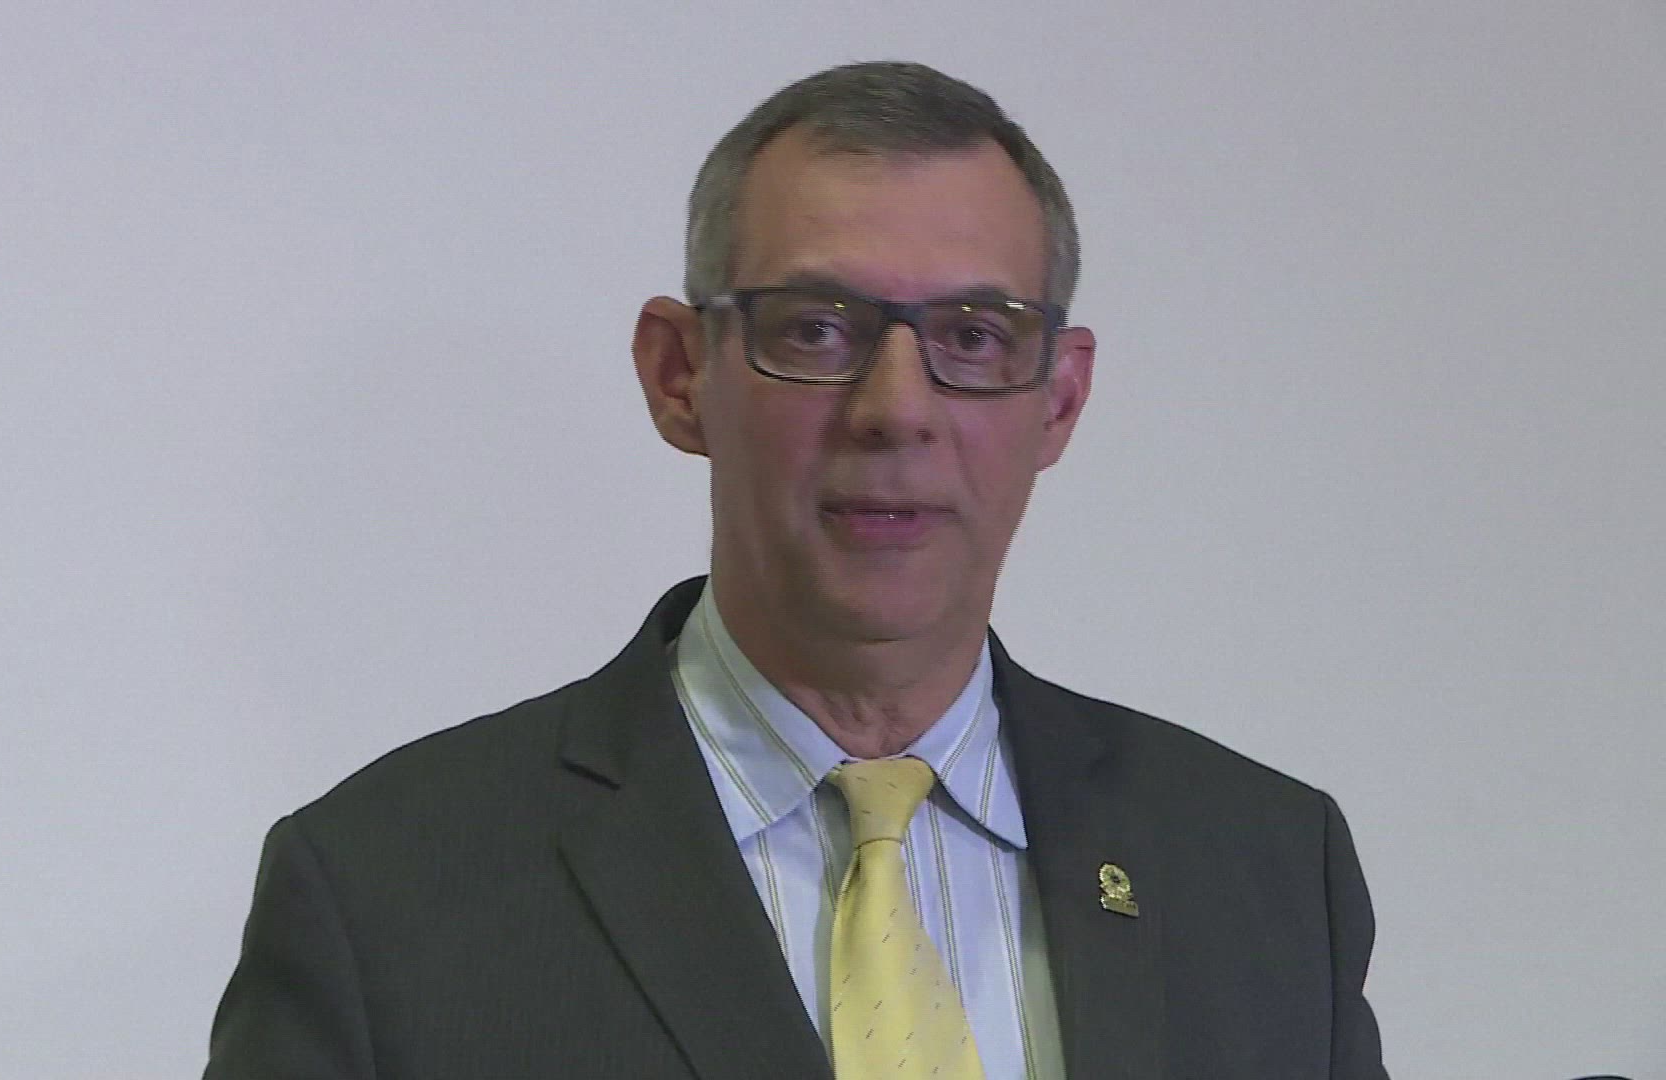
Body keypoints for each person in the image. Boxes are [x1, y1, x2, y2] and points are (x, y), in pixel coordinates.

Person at [203, 61, 1389, 1080]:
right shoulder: (383, 895)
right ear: (679, 375)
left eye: (974, 336)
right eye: (817, 329)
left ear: (1061, 399)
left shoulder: (1268, 871)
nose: (896, 409)